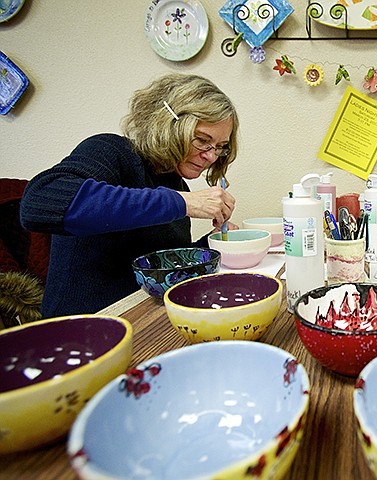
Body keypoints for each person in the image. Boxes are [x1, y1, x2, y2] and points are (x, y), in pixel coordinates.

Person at [20, 73, 239, 318]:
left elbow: (158, 264)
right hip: (82, 326)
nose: (211, 156)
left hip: (140, 318)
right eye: (202, 140)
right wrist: (181, 202)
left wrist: (211, 244)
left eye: (220, 147)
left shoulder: (175, 183)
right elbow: (39, 203)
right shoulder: (111, 151)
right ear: (167, 124)